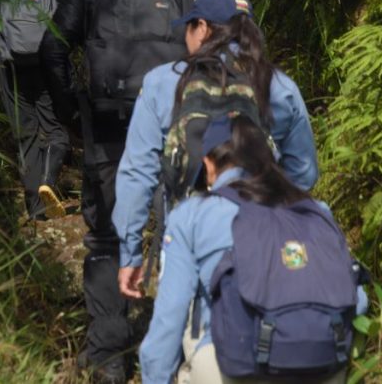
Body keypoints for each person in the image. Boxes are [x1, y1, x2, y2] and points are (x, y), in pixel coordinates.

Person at [41, 0, 214, 382]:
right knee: (183, 231)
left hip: (109, 124)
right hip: (180, 125)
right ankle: (186, 351)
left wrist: (71, 113)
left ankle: (107, 356)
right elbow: (236, 41)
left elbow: (53, 46)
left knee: (105, 238)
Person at [113, 0, 319, 302]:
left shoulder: (163, 82)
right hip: (261, 233)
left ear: (204, 28)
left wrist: (130, 254)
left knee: (192, 334)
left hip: (186, 234)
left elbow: (137, 173)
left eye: (188, 27)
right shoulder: (278, 85)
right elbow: (304, 174)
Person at [138, 115, 362, 384]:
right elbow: (356, 300)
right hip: (323, 365)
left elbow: (168, 319)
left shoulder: (192, 215)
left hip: (236, 367)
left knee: (192, 314)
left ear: (209, 163)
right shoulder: (316, 210)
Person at [0, 0, 72, 220]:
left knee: (25, 134)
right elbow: (71, 19)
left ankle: (36, 210)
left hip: (11, 66)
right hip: (49, 63)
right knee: (55, 129)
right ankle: (48, 183)